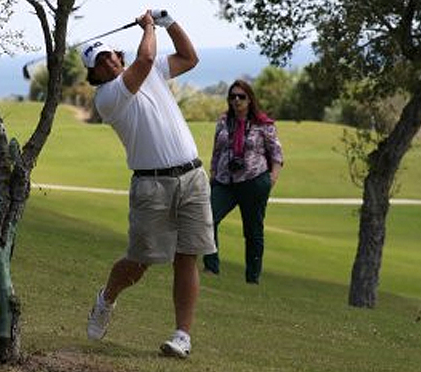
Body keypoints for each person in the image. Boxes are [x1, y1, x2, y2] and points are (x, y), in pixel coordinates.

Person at [80, 9, 216, 359]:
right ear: (93, 74)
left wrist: (169, 22)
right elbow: (146, 56)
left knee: (188, 257)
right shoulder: (108, 97)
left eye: (109, 54)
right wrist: (150, 26)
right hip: (151, 185)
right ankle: (106, 298)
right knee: (140, 262)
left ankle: (182, 336)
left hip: (192, 177)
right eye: (99, 61)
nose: (107, 62)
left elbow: (190, 57)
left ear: (117, 55)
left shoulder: (150, 70)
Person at [202, 79, 284, 283]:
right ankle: (211, 267)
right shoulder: (223, 121)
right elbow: (217, 151)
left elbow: (277, 154)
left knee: (253, 231)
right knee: (207, 219)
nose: (236, 100)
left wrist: (270, 180)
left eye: (241, 96)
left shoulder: (264, 124)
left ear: (249, 99)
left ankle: (252, 278)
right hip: (224, 182)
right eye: (232, 97)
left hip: (254, 181)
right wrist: (213, 174)